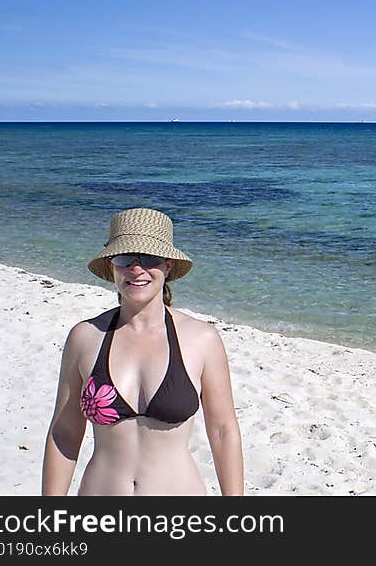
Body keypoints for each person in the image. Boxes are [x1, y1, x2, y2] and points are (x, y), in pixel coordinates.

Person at [41, 207, 243, 495]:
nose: (136, 269)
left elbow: (223, 430)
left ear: (168, 266)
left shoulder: (201, 339)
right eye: (125, 258)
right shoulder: (85, 337)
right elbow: (64, 433)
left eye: (149, 258)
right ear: (111, 265)